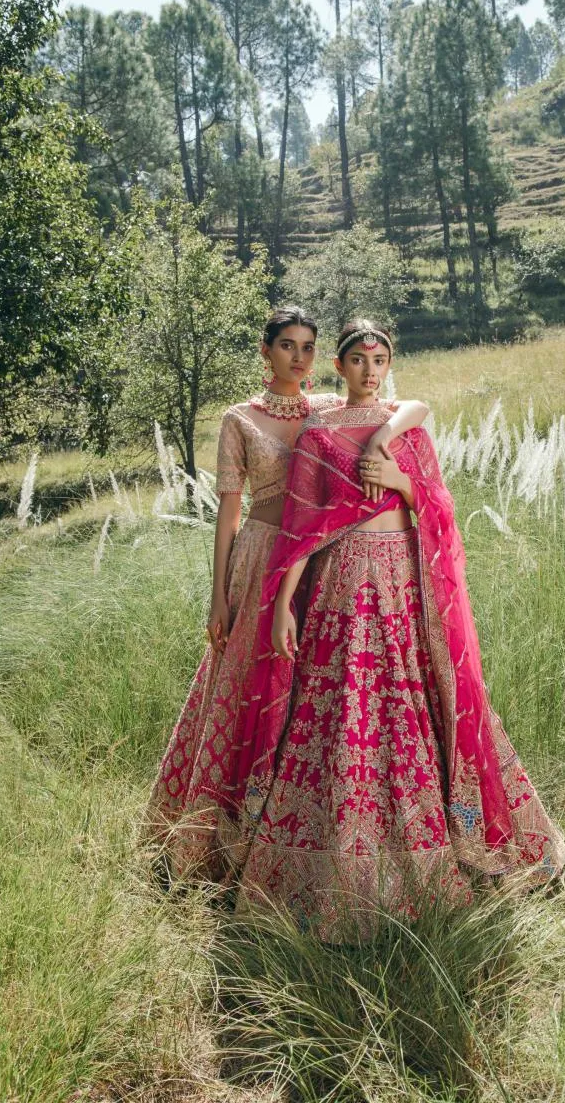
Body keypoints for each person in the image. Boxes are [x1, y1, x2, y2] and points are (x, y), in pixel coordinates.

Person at [228, 319, 565, 940]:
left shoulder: (408, 432)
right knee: (338, 708)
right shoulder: (318, 435)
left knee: (409, 698)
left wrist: (404, 481)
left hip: (402, 586)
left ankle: (439, 846)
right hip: (339, 584)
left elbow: (439, 505)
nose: (368, 369)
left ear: (390, 362)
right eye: (356, 359)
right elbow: (302, 527)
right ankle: (329, 861)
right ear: (338, 366)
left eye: (378, 358)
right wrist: (281, 604)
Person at [145, 307, 429, 883]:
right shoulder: (239, 420)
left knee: (311, 696)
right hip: (262, 553)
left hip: (323, 558)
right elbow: (228, 513)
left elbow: (408, 406)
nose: (297, 358)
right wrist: (218, 595)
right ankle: (220, 839)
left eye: (307, 347)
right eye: (286, 346)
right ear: (265, 350)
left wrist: (386, 437)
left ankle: (306, 829)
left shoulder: (328, 407)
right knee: (251, 683)